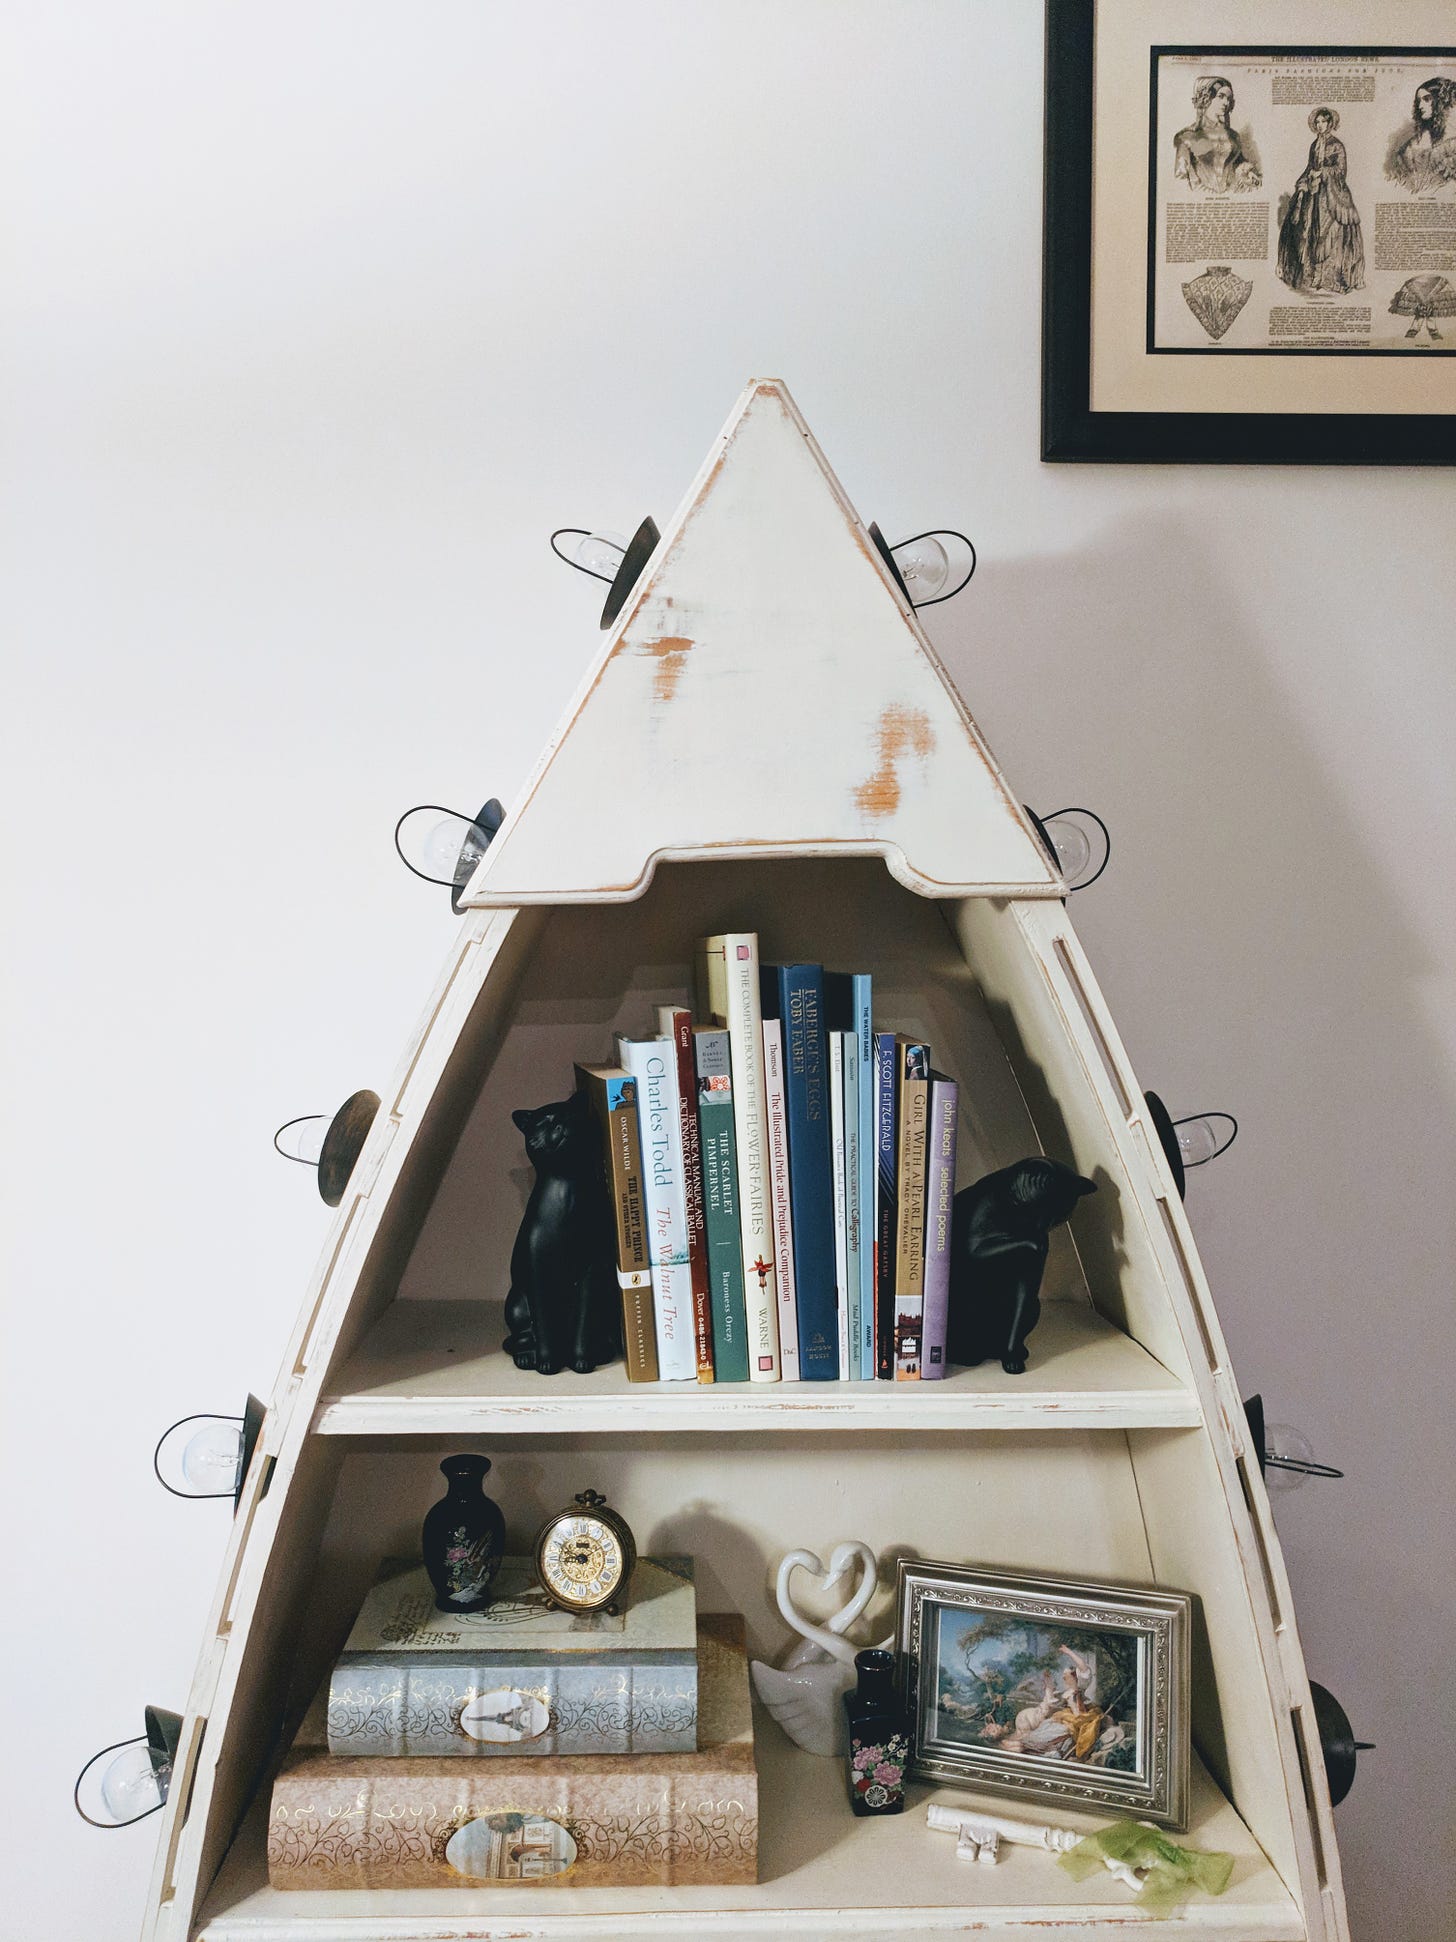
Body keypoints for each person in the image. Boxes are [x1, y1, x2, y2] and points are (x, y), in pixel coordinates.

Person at [1276, 107, 1365, 296]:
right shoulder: (1314, 145)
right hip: (1314, 194)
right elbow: (1310, 167)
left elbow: (1341, 172)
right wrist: (1302, 182)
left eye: (1323, 122)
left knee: (1329, 233)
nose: (1320, 125)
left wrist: (1322, 173)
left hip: (1332, 195)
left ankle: (1330, 278)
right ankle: (1312, 277)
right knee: (1309, 231)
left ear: (1330, 123)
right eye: (1317, 122)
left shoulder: (1337, 145)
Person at [1173, 76, 1261, 193]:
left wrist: (1248, 172)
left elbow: (1237, 163)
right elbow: (1181, 179)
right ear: (1206, 98)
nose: (1226, 102)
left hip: (1230, 199)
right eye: (1221, 96)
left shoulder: (1233, 136)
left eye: (1229, 98)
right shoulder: (1187, 136)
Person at [1388, 76, 1456, 192]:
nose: (1420, 106)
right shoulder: (1411, 146)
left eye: (1427, 99)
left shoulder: (1452, 142)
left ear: (1439, 101)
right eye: (1418, 101)